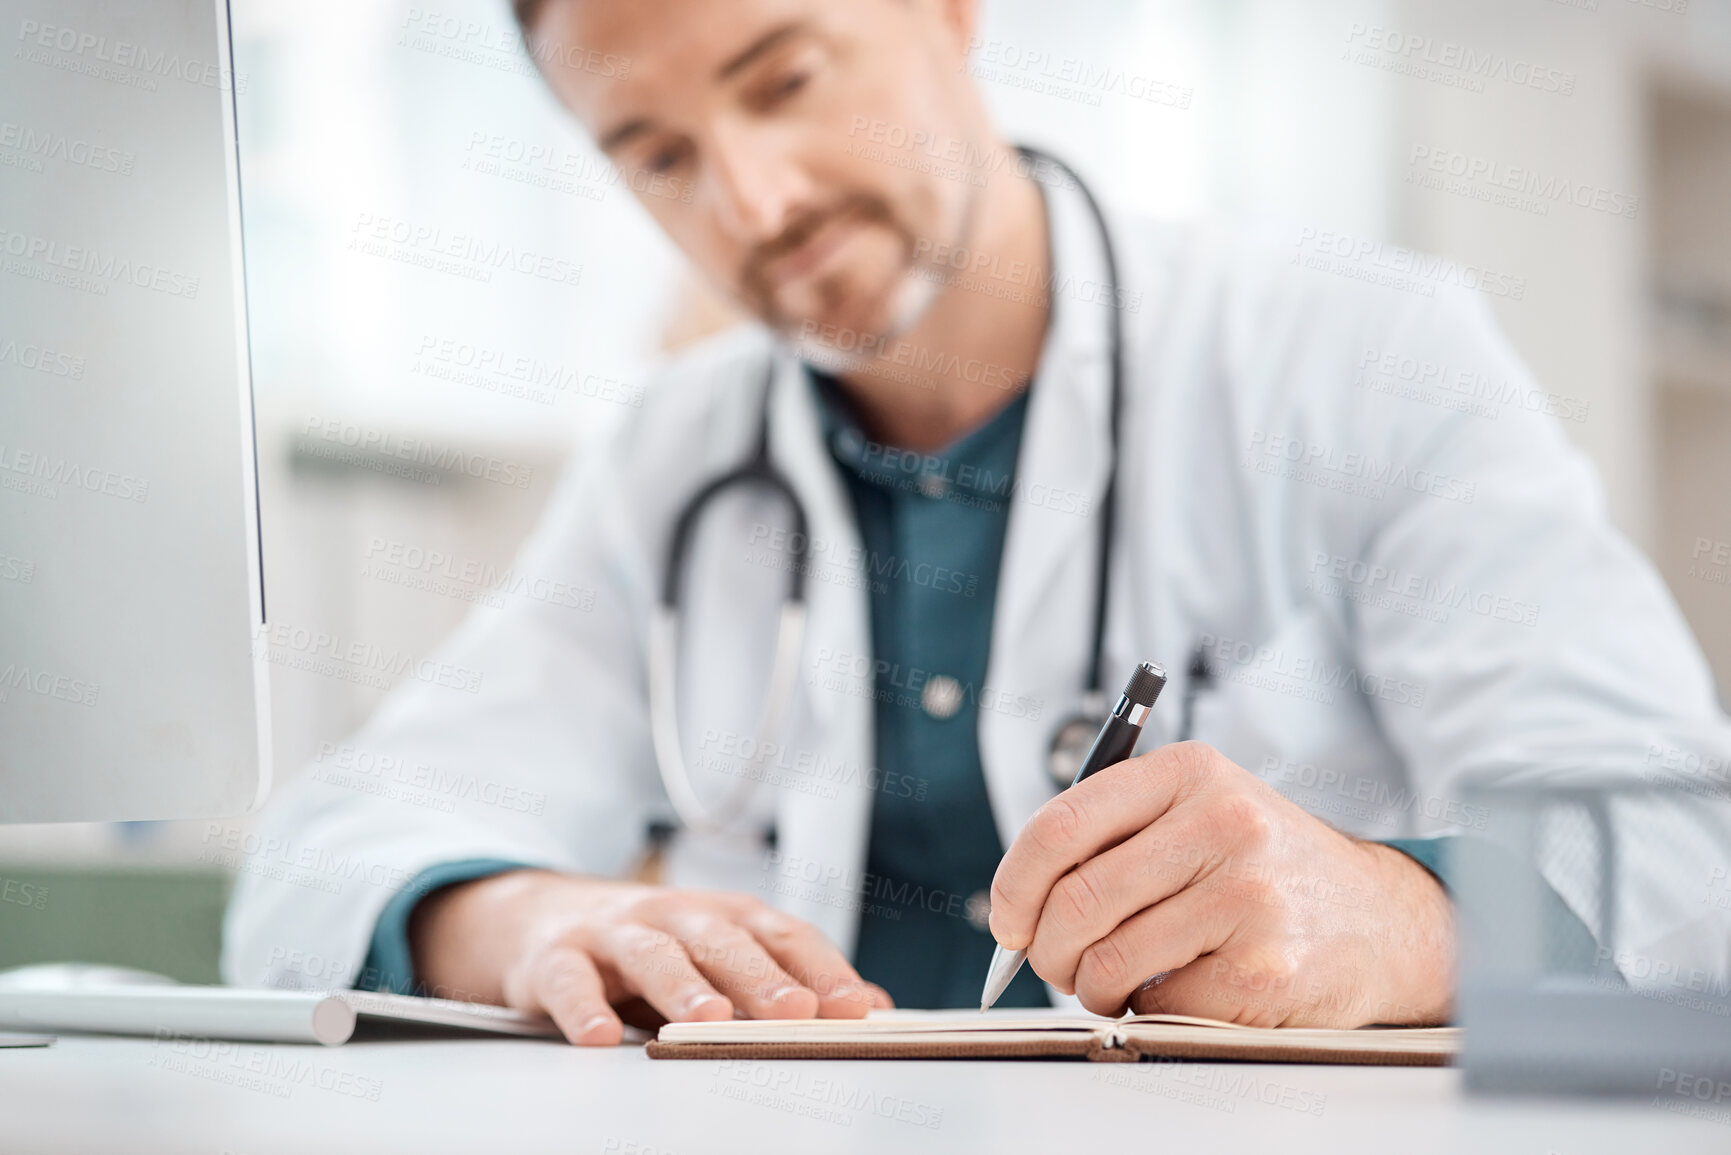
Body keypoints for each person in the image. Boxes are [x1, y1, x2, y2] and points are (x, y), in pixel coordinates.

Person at [224, 0, 1731, 1044]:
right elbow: (321, 855)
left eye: (782, 76)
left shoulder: (1357, 355)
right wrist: (528, 918)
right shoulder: (670, 456)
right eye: (660, 154)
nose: (749, 204)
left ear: (948, 10)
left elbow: (1681, 859)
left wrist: (1412, 922)